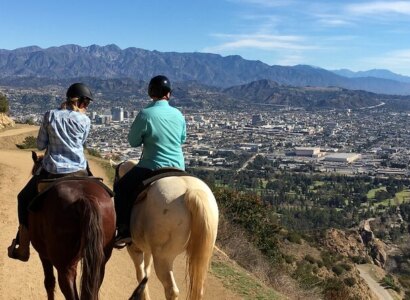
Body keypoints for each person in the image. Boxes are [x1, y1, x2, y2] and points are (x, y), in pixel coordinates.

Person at [8, 83, 93, 261]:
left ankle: (23, 248)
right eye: (86, 103)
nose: (87, 107)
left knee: (23, 198)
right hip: (79, 169)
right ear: (80, 102)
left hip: (53, 169)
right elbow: (82, 144)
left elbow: (40, 145)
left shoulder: (50, 115)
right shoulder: (85, 120)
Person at [114, 75, 186, 247]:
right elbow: (182, 139)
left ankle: (123, 231)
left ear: (150, 92)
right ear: (168, 94)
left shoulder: (146, 114)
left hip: (151, 167)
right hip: (178, 167)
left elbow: (133, 142)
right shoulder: (178, 114)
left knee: (121, 188)